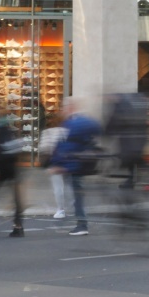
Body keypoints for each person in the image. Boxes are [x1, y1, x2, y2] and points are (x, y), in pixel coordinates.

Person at [50, 99, 103, 236]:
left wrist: (58, 164)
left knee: (77, 195)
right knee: (77, 194)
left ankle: (82, 225)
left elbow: (65, 147)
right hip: (84, 162)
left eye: (64, 108)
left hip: (74, 164)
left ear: (69, 108)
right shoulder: (87, 121)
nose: (62, 111)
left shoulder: (71, 124)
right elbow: (99, 131)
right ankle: (81, 222)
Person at [0, 112, 26, 236]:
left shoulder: (1, 135)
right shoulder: (12, 134)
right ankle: (18, 226)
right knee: (16, 199)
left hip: (4, 171)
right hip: (14, 171)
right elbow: (19, 151)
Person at [38, 112, 68, 219]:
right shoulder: (66, 131)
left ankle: (61, 209)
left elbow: (44, 148)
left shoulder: (47, 132)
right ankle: (73, 205)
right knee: (70, 185)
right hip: (67, 161)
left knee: (58, 187)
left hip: (55, 163)